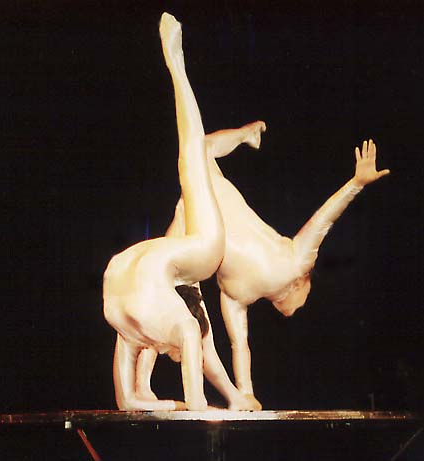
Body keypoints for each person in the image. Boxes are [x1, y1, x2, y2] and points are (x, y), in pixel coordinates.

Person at [165, 124, 390, 409]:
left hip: (196, 213)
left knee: (199, 152)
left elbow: (239, 345)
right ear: (303, 281)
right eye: (307, 297)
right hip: (208, 192)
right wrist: (356, 184)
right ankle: (247, 133)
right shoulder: (296, 261)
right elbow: (324, 219)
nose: (298, 310)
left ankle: (162, 337)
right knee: (201, 148)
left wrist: (246, 393)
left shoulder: (236, 295)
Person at [103, 13, 257, 411]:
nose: (176, 356)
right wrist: (195, 404)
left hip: (135, 271)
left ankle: (178, 68)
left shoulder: (148, 318)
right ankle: (177, 64)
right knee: (193, 157)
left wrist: (174, 403)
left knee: (193, 159)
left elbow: (127, 401)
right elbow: (196, 342)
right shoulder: (165, 318)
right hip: (122, 277)